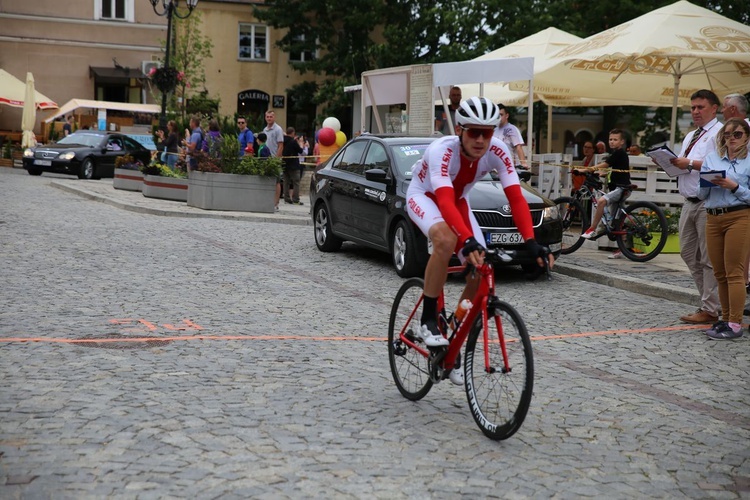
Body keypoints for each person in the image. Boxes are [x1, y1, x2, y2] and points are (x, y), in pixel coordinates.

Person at [406, 96, 553, 385]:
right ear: (460, 131)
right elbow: (444, 201)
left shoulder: (498, 150)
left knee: (480, 264)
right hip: (424, 196)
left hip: (457, 201)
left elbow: (516, 197)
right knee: (446, 241)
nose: (480, 140)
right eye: (473, 132)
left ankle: (455, 336)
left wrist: (531, 242)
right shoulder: (442, 151)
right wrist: (466, 239)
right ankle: (427, 319)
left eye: (486, 133)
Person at [669, 89, 722, 324]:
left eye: (701, 107)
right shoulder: (691, 135)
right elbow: (684, 164)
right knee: (688, 253)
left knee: (708, 258)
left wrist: (688, 163)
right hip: (688, 201)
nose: (696, 111)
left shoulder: (719, 133)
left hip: (707, 201)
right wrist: (669, 162)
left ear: (714, 108)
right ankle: (709, 302)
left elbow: (719, 169)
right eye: (692, 107)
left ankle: (710, 308)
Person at [698, 118, 750, 340]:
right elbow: (701, 195)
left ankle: (735, 324)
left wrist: (734, 186)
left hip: (739, 216)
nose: (731, 139)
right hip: (713, 217)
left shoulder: (749, 161)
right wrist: (706, 183)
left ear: (747, 137)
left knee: (734, 272)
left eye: (737, 134)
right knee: (719, 273)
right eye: (727, 134)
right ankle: (725, 319)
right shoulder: (712, 158)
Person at [581, 129, 631, 247]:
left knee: (601, 201)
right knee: (616, 222)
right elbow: (615, 169)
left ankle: (592, 229)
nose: (612, 142)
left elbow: (605, 164)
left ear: (622, 142)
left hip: (621, 189)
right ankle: (624, 249)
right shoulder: (617, 154)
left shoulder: (619, 153)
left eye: (615, 139)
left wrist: (587, 169)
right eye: (610, 139)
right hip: (619, 188)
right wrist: (601, 173)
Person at [493, 104, 528, 169]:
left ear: (507, 116)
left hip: (509, 166)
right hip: (496, 166)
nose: (499, 117)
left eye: (501, 115)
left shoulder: (512, 129)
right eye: (497, 115)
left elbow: (518, 147)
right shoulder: (494, 130)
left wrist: (523, 163)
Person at [262, 110, 285, 211]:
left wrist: (276, 159)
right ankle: (268, 202)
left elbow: (280, 145)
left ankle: (276, 203)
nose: (269, 118)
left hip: (274, 159)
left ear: (274, 117)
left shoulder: (278, 129)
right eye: (267, 117)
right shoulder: (265, 130)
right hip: (266, 159)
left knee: (276, 181)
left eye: (271, 117)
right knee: (267, 180)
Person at [282, 127, 304, 205]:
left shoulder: (282, 140)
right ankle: (295, 199)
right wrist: (301, 143)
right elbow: (300, 151)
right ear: (293, 133)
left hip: (284, 164)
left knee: (286, 182)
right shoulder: (293, 141)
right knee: (296, 182)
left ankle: (286, 198)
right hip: (294, 165)